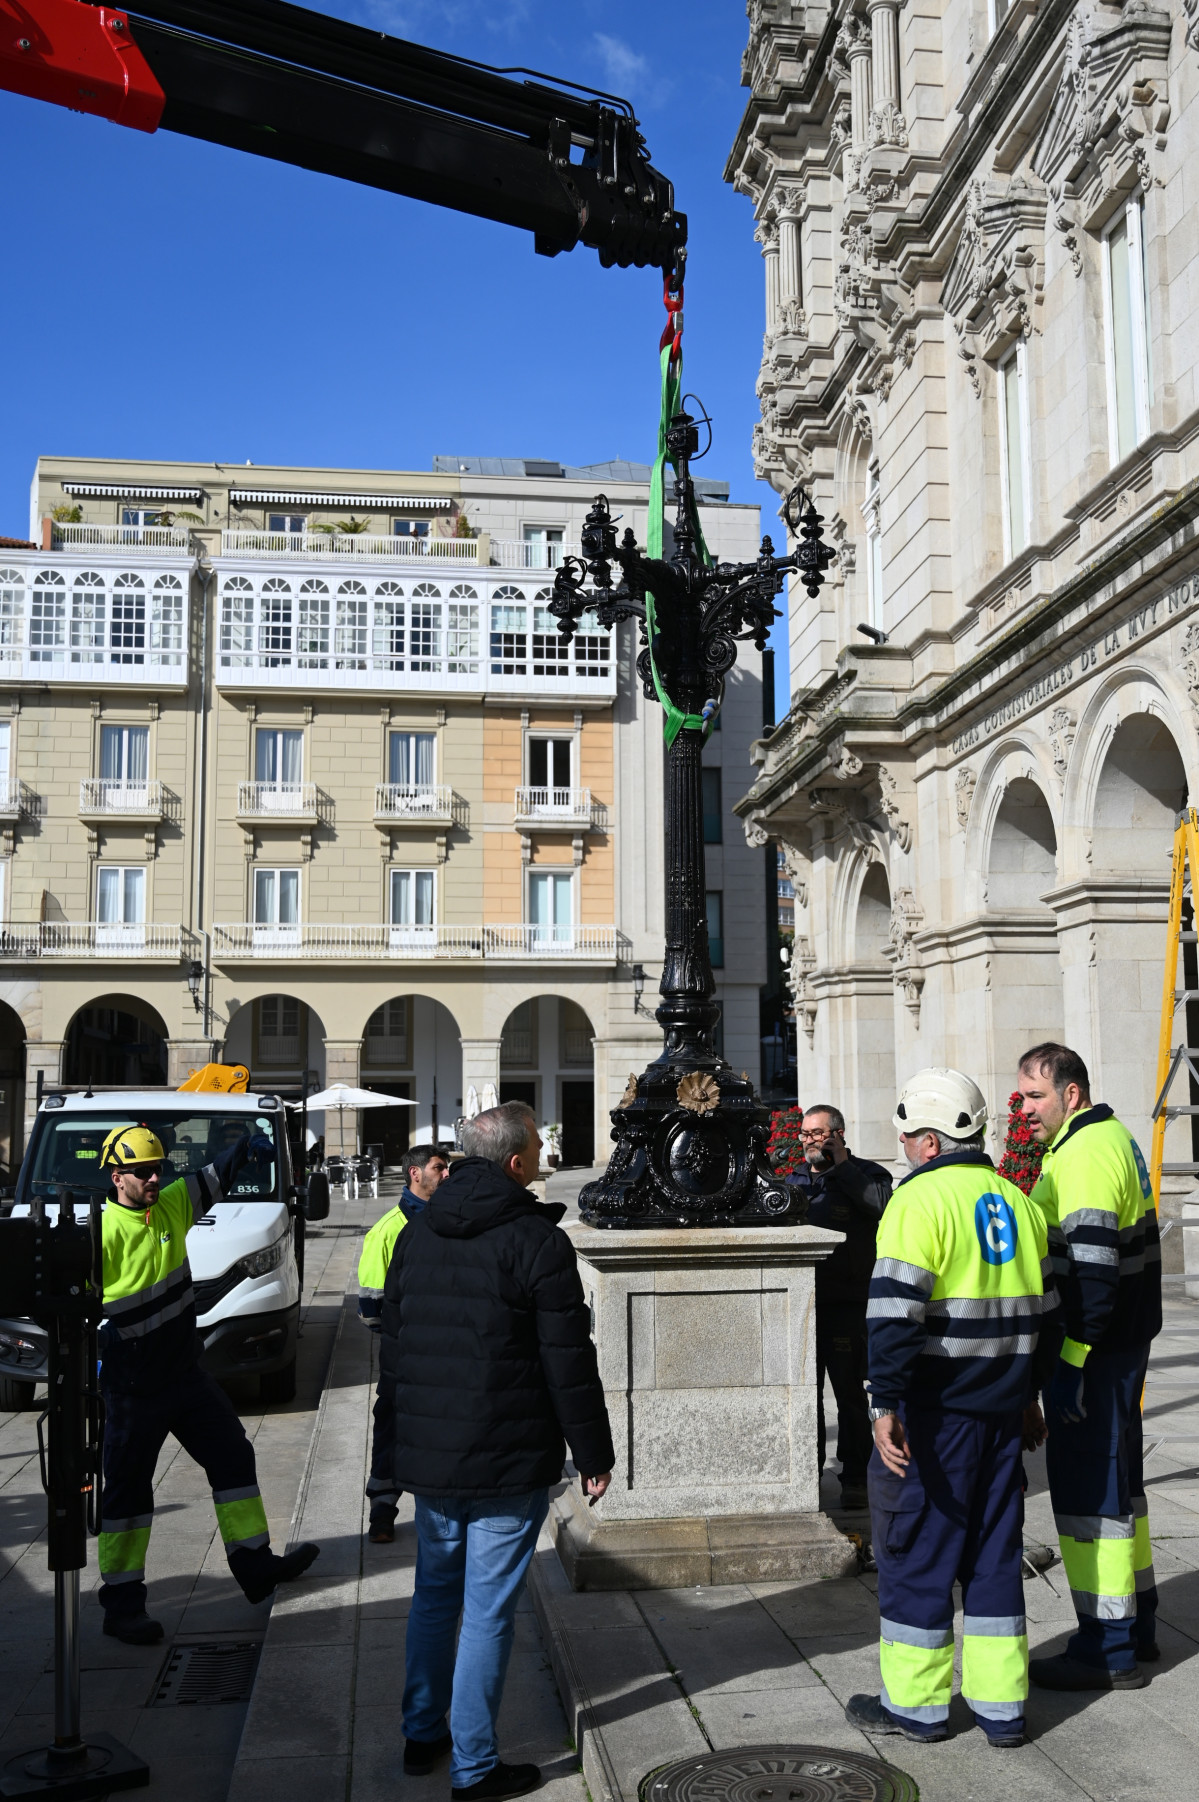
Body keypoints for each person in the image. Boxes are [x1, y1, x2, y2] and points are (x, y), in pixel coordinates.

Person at [382, 1101, 614, 1800]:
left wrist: (384, 1458)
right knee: (485, 1611)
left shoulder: (413, 1234)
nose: (544, 1155)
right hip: (505, 1453)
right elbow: (566, 1358)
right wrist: (593, 1452)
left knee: (432, 1596)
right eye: (539, 1146)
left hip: (430, 1450)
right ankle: (474, 1766)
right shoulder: (534, 1241)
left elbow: (392, 1356)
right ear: (515, 1162)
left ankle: (422, 1732)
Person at [845, 1068, 1057, 1749]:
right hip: (1001, 1414)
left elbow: (892, 1318)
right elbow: (1046, 1318)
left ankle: (917, 1708)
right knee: (994, 1558)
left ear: (930, 1142)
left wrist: (883, 1403)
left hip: (934, 1416)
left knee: (916, 1555)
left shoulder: (916, 1203)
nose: (903, 1146)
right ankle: (1001, 1710)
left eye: (907, 1135)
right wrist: (1027, 1398)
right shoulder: (1019, 1205)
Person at [96, 1123, 320, 1644]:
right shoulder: (101, 1233)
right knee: (128, 1495)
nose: (155, 1179)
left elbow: (214, 1175)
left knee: (234, 1459)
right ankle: (122, 1605)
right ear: (116, 1176)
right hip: (133, 1389)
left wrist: (247, 1144)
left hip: (184, 1376)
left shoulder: (171, 1203)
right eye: (143, 1172)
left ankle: (255, 1566)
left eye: (159, 1170)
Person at [1017, 1042, 1161, 1690]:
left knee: (1088, 1500)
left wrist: (1070, 1363)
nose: (1023, 1109)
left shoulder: (1083, 1155)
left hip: (1096, 1357)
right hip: (1118, 1350)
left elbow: (1095, 1277)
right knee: (1120, 1491)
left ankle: (1105, 1648)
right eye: (1019, 1095)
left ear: (1069, 1093)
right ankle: (1135, 1624)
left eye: (1034, 1095)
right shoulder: (1106, 1139)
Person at [790, 1104, 892, 1509]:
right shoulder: (792, 1178)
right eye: (805, 1134)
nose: (811, 1141)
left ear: (839, 1133)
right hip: (802, 1303)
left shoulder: (866, 1172)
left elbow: (882, 1205)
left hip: (848, 1304)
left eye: (818, 1133)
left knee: (850, 1395)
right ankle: (807, 1471)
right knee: (803, 1394)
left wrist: (842, 1167)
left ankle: (855, 1476)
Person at [357, 1143, 451, 1542]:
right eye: (439, 1168)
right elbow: (370, 1309)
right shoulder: (387, 1231)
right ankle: (383, 1509)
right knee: (392, 1429)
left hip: (448, 1355)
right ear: (416, 1174)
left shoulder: (451, 1220)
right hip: (406, 1358)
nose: (446, 1175)